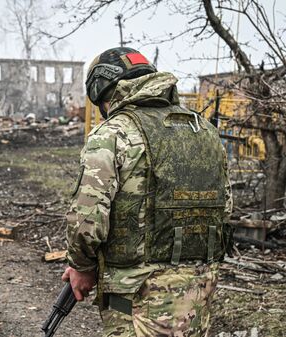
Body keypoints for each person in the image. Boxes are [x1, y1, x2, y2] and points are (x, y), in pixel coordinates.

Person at [62, 47, 233, 337]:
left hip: (136, 292)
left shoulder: (112, 133)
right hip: (199, 289)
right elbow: (225, 209)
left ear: (101, 89)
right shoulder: (205, 131)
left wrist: (81, 266)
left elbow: (87, 218)